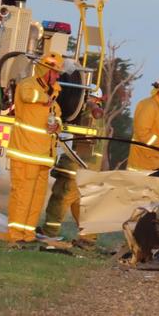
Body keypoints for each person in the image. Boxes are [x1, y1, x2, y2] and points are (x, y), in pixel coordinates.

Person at [6, 52, 64, 245]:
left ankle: (28, 234)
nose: (57, 76)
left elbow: (57, 116)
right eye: (54, 72)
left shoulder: (54, 94)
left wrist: (57, 125)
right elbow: (27, 95)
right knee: (22, 195)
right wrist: (45, 98)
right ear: (45, 70)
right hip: (26, 153)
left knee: (36, 198)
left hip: (42, 156)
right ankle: (15, 235)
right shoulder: (29, 85)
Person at [40, 84, 105, 248]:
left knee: (60, 199)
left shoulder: (89, 113)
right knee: (81, 204)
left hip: (76, 167)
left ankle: (49, 233)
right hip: (85, 168)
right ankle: (89, 238)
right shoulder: (96, 118)